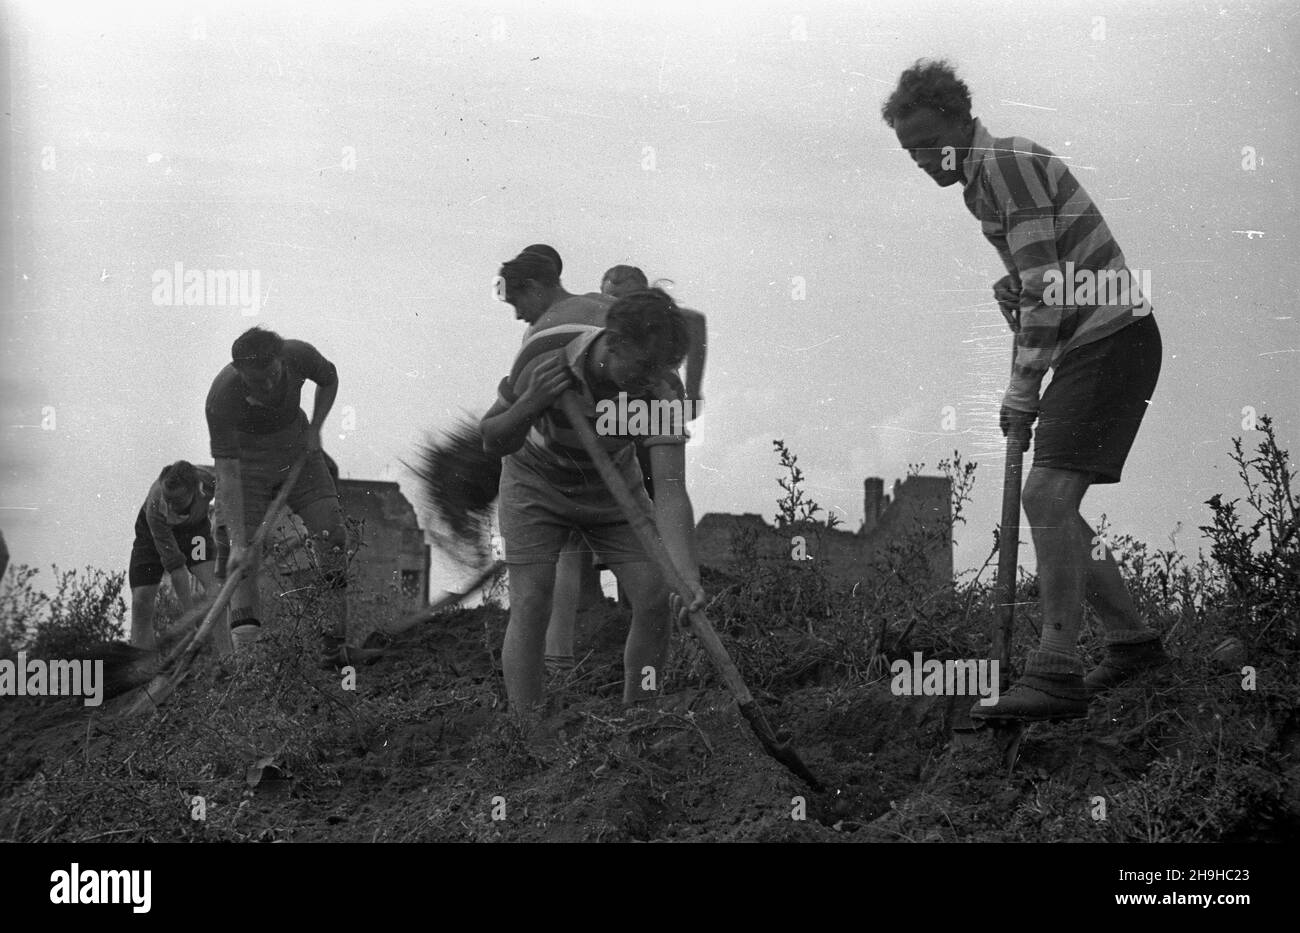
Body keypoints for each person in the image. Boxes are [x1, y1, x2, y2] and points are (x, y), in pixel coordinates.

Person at [882, 59, 1167, 721]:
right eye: (910, 151)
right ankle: (1132, 644)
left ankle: (1056, 668)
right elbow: (1041, 275)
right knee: (1056, 504)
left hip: (1111, 332)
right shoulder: (980, 186)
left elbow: (1047, 289)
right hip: (1096, 335)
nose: (923, 159)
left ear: (960, 117)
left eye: (928, 141)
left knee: (1045, 493)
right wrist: (1015, 283)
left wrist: (1022, 387)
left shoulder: (1003, 163)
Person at [481, 249, 706, 717]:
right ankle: (530, 734)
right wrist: (530, 404)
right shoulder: (546, 352)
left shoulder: (660, 389)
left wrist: (686, 575)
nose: (650, 382)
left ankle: (638, 718)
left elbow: (669, 488)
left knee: (654, 594)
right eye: (643, 370)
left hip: (610, 490)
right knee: (532, 599)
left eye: (659, 372)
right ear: (615, 342)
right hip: (535, 483)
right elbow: (491, 439)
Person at [206, 326, 370, 667]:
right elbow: (227, 472)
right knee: (244, 558)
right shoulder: (222, 397)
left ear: (282, 360)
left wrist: (315, 429)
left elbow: (329, 377)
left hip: (298, 453)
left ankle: (333, 646)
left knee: (333, 534)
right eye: (255, 381)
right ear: (239, 372)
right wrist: (238, 540)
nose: (265, 386)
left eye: (271, 376)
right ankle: (248, 664)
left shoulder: (299, 354)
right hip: (245, 467)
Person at [127, 461, 219, 651]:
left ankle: (229, 656)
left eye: (176, 502)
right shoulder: (156, 507)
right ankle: (144, 671)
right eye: (166, 499)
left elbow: (238, 485)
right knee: (141, 601)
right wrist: (189, 619)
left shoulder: (212, 478)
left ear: (195, 490)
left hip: (194, 529)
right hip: (153, 535)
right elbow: (176, 568)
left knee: (213, 585)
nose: (168, 506)